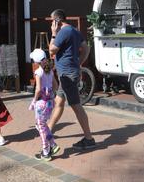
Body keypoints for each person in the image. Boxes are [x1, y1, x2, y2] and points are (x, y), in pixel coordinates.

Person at [47, 9, 96, 150]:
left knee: (76, 106)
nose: (51, 24)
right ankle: (48, 130)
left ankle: (89, 139)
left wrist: (53, 34)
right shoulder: (74, 30)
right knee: (59, 102)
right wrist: (78, 63)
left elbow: (51, 51)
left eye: (52, 21)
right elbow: (86, 48)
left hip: (67, 75)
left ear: (57, 21)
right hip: (68, 74)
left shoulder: (62, 32)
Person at [29, 48, 60, 161]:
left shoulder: (38, 72)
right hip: (49, 102)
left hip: (41, 103)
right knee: (43, 125)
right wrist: (50, 92)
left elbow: (37, 89)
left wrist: (33, 101)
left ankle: (46, 151)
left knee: (41, 127)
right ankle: (53, 144)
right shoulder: (50, 71)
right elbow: (56, 86)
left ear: (36, 61)